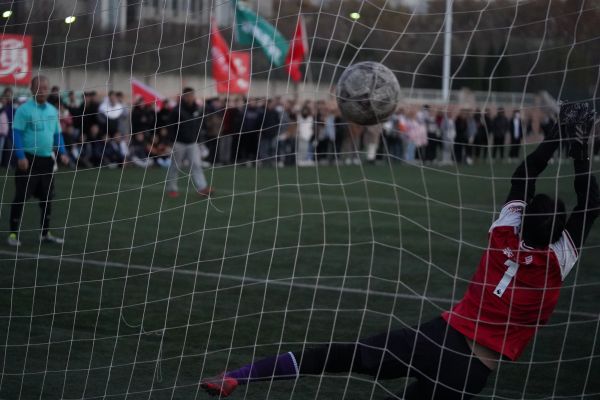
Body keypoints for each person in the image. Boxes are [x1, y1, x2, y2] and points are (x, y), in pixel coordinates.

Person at [200, 102, 599, 399]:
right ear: (561, 234)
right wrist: (582, 150)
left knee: (342, 356)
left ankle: (240, 375)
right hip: (472, 369)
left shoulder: (504, 235)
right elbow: (592, 200)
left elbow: (525, 174)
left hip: (437, 337)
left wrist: (559, 135)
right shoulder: (555, 262)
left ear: (523, 217)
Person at [7, 75, 70, 246]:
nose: (42, 91)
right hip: (28, 160)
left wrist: (63, 152)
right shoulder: (23, 110)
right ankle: (12, 234)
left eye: (45, 88)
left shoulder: (52, 110)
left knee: (47, 198)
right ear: (31, 89)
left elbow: (57, 134)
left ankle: (45, 233)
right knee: (21, 197)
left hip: (47, 161)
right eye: (39, 88)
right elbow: (17, 134)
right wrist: (20, 156)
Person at [165, 87, 213, 198]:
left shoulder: (197, 109)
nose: (190, 97)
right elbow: (170, 127)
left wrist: (199, 140)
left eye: (192, 95)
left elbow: (199, 125)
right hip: (179, 142)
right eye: (188, 95)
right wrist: (170, 141)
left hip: (192, 142)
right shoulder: (177, 110)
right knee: (175, 166)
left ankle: (202, 188)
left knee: (196, 164)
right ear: (184, 97)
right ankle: (172, 189)